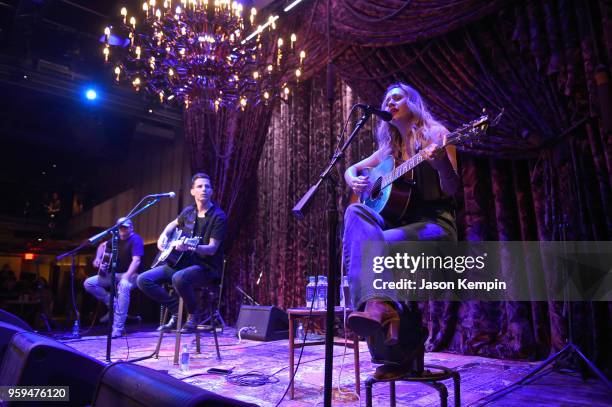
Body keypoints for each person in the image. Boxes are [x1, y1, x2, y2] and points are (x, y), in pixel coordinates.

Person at [343, 82, 460, 379]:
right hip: (400, 226)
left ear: (413, 101)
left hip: (435, 226)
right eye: (387, 99)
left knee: (372, 247)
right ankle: (381, 309)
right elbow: (353, 168)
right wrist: (351, 179)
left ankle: (382, 315)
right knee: (355, 211)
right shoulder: (388, 149)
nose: (390, 103)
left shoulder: (437, 134)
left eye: (397, 97)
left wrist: (442, 164)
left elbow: (453, 188)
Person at [137, 173, 227, 333]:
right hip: (182, 263)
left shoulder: (218, 217)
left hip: (205, 267)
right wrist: (163, 236)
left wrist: (191, 247)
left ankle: (193, 314)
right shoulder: (188, 212)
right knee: (143, 279)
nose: (204, 189)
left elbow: (212, 248)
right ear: (192, 191)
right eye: (199, 186)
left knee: (178, 278)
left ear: (212, 191)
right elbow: (173, 224)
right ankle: (176, 311)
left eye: (207, 186)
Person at [84, 217, 144, 338]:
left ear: (131, 228)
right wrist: (97, 258)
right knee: (89, 283)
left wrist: (126, 277)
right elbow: (101, 246)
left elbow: (136, 261)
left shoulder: (136, 239)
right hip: (114, 274)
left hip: (132, 275)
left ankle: (117, 328)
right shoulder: (114, 239)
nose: (122, 229)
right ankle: (112, 303)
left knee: (123, 287)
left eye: (125, 227)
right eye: (120, 227)